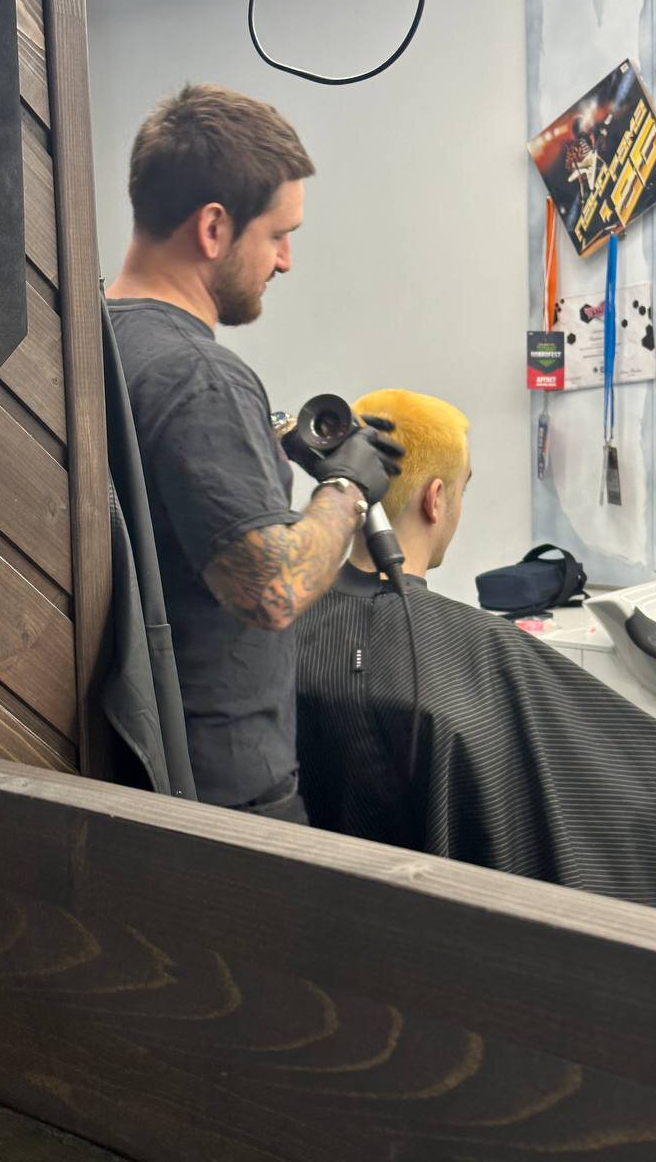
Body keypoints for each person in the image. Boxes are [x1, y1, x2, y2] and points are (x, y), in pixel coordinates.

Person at [295, 389, 656, 940]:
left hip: (314, 925)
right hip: (452, 942)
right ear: (436, 500)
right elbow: (613, 783)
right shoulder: (480, 647)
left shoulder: (280, 628)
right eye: (464, 489)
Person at [106, 84, 403, 821]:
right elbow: (272, 589)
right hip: (223, 807)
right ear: (213, 227)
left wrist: (262, 453)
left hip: (130, 780)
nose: (286, 261)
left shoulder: (93, 338)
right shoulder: (198, 374)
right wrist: (346, 489)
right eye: (278, 235)